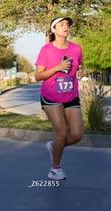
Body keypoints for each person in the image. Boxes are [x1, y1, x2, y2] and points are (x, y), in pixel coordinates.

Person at [35, 17, 84, 180]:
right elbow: (38, 75)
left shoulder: (76, 49)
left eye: (67, 25)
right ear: (53, 30)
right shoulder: (46, 50)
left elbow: (80, 65)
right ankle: (55, 169)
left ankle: (54, 147)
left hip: (71, 96)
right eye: (61, 24)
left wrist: (80, 72)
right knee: (62, 133)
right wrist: (58, 68)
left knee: (77, 135)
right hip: (51, 97)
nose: (66, 27)